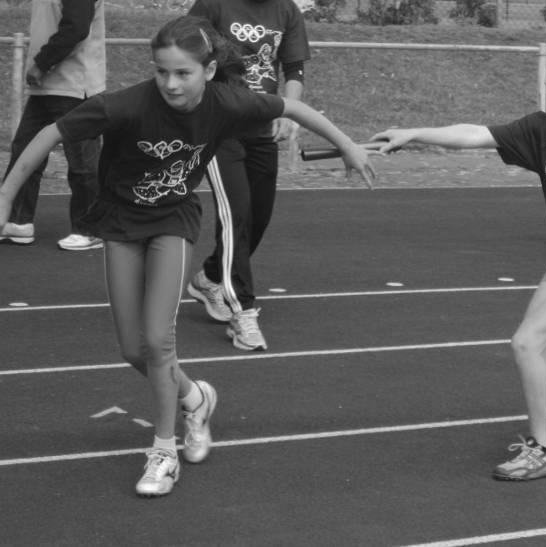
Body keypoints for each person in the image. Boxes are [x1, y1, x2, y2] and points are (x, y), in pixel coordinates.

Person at [0, 15, 374, 497]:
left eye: (183, 73)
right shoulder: (127, 105)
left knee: (158, 342)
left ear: (210, 70)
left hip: (171, 221)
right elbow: (52, 133)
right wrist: (7, 195)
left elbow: (293, 108)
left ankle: (163, 451)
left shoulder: (228, 102)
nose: (170, 83)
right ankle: (196, 397)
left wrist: (346, 144)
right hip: (119, 220)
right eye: (161, 72)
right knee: (132, 350)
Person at [373, 33, 546, 480]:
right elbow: (475, 134)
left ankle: (544, 450)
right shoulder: (543, 127)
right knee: (531, 351)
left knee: (527, 342)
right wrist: (415, 134)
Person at [185, 0, 311, 351]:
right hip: (219, 129)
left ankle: (211, 277)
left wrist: (290, 111)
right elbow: (183, 53)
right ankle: (243, 311)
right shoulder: (213, 5)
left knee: (258, 217)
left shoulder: (286, 10)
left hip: (262, 125)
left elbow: (294, 67)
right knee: (236, 216)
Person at [0, 0, 106, 251]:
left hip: (74, 85)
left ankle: (90, 230)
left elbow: (76, 27)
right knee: (24, 152)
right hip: (46, 86)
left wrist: (41, 63)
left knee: (82, 163)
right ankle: (18, 221)